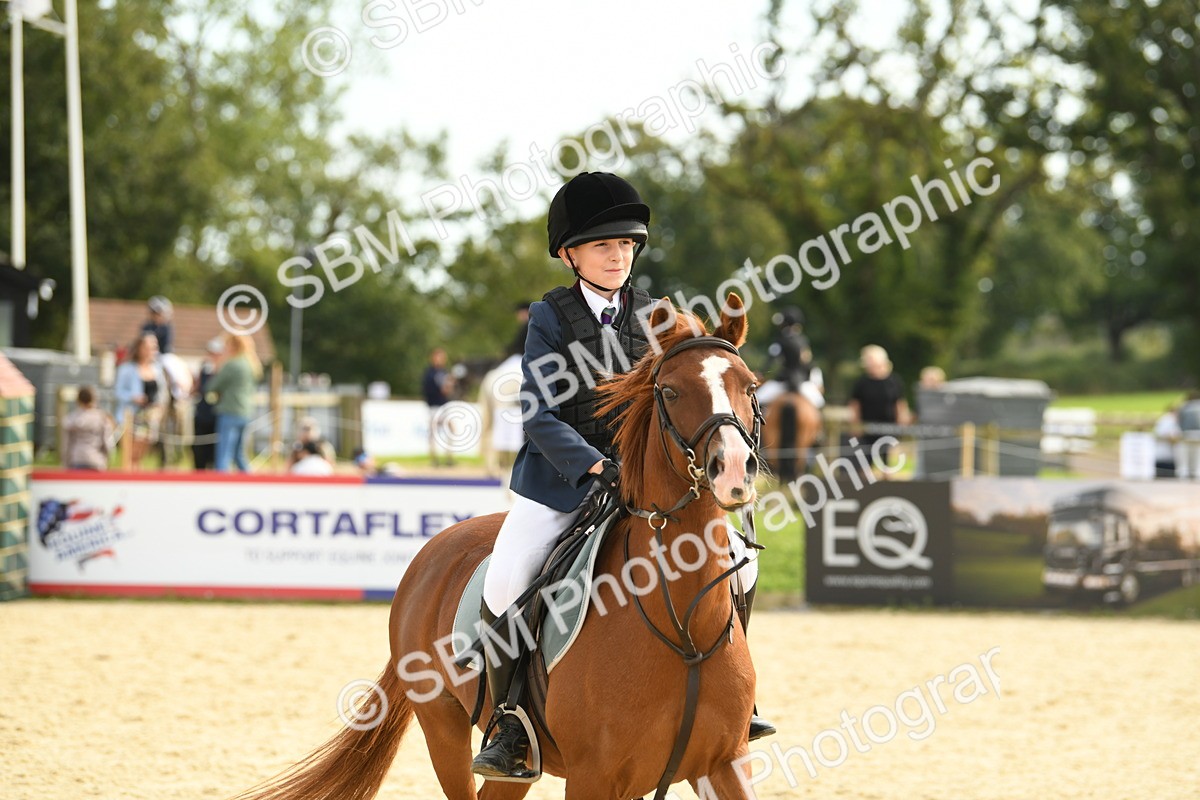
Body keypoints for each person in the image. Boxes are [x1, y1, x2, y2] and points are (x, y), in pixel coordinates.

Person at [469, 171, 771, 781]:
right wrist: (594, 464)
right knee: (507, 580)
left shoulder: (657, 319)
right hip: (561, 482)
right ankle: (511, 721)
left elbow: (684, 392)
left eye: (627, 246)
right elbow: (540, 415)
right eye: (604, 246)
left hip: (644, 486)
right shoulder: (550, 318)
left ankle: (731, 693)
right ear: (570, 254)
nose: (617, 256)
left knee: (743, 557)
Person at [848, 344, 910, 472]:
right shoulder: (862, 382)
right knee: (865, 460)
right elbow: (855, 404)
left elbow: (899, 403)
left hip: (888, 426)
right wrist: (855, 424)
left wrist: (902, 419)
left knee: (887, 460)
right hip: (867, 427)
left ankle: (887, 484)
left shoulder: (894, 381)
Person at [207, 333, 262, 473]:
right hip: (245, 412)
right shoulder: (251, 364)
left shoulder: (231, 364)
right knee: (239, 454)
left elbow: (213, 386)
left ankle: (221, 486)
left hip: (229, 411)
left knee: (223, 455)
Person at [114, 334, 168, 467]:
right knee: (130, 456)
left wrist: (160, 408)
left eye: (154, 347)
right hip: (131, 417)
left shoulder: (157, 370)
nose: (151, 350)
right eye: (148, 347)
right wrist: (133, 398)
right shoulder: (126, 369)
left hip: (150, 418)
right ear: (139, 348)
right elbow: (117, 392)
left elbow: (162, 393)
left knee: (140, 456)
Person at [63, 386, 115, 470]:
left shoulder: (71, 418)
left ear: (78, 400)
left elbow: (66, 444)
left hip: (76, 459)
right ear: (94, 399)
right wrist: (108, 458)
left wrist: (65, 462)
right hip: (96, 460)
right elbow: (107, 442)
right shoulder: (102, 418)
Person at [192, 337, 224, 470]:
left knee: (214, 450)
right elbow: (197, 388)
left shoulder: (223, 370)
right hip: (202, 414)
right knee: (199, 449)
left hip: (217, 415)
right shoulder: (204, 368)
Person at [422, 348, 453, 466]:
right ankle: (434, 458)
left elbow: (449, 389)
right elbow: (428, 390)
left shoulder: (444, 372)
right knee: (433, 432)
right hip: (434, 406)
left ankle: (448, 457)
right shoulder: (429, 373)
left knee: (451, 429)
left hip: (444, 405)